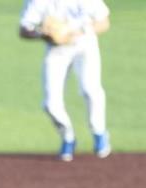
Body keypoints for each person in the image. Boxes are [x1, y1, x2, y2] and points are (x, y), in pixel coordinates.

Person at [19, 0, 111, 162]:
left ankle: (99, 132)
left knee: (90, 89)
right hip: (56, 51)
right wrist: (43, 34)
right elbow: (24, 30)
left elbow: (104, 22)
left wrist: (76, 31)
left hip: (85, 47)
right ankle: (68, 137)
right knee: (50, 104)